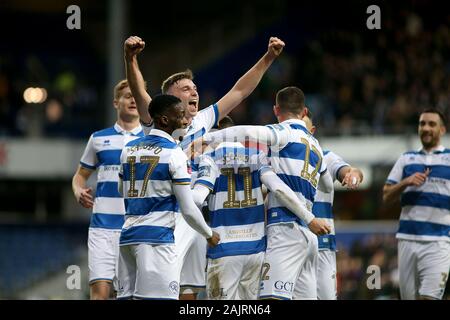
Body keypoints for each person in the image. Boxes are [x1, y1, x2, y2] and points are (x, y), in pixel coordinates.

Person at [123, 35, 285, 299]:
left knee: (190, 289)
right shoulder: (157, 120)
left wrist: (268, 58)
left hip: (196, 216)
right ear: (169, 98)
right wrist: (130, 59)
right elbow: (139, 91)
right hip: (167, 215)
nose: (194, 91)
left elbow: (240, 91)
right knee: (161, 291)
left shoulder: (202, 120)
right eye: (186, 88)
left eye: (195, 87)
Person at [205, 86, 333, 299]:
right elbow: (327, 185)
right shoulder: (317, 147)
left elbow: (245, 132)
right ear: (304, 111)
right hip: (309, 239)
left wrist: (208, 139)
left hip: (286, 227)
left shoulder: (284, 132)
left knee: (270, 298)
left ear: (276, 110)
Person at [117, 94, 220, 300]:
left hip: (127, 238)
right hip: (156, 241)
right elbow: (189, 209)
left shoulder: (128, 149)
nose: (185, 120)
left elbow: (122, 190)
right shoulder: (174, 153)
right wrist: (209, 234)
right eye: (180, 115)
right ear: (164, 120)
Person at [72, 80, 144, 300]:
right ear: (116, 102)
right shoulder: (98, 138)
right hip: (102, 229)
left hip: (136, 228)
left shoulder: (151, 139)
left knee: (132, 296)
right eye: (126, 95)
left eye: (136, 96)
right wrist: (77, 191)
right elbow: (79, 176)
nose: (132, 99)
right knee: (100, 295)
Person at [383, 108, 450, 300]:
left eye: (431, 124)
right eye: (422, 124)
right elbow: (386, 195)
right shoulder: (406, 158)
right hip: (407, 240)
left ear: (442, 130)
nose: (426, 128)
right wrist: (406, 182)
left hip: (438, 242)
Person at [300, 112, 364, 300]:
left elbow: (351, 170)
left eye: (303, 128)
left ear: (312, 131)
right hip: (293, 242)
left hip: (323, 245)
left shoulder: (326, 157)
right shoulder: (282, 159)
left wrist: (352, 175)